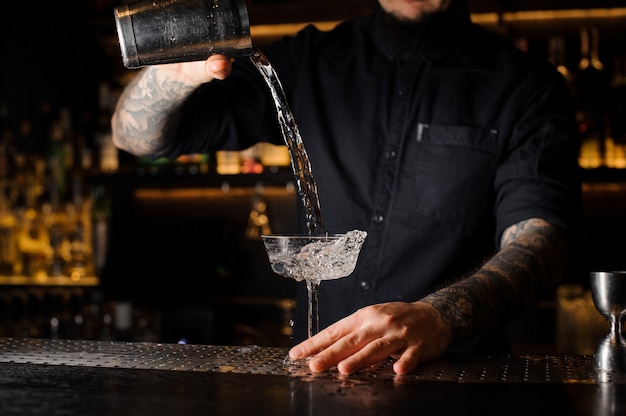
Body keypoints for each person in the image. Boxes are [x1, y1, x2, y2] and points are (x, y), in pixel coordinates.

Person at [111, 0, 581, 376]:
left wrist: (441, 316)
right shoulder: (308, 60)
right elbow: (136, 138)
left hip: (456, 378)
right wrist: (168, 80)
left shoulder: (526, 87)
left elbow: (542, 240)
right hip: (317, 375)